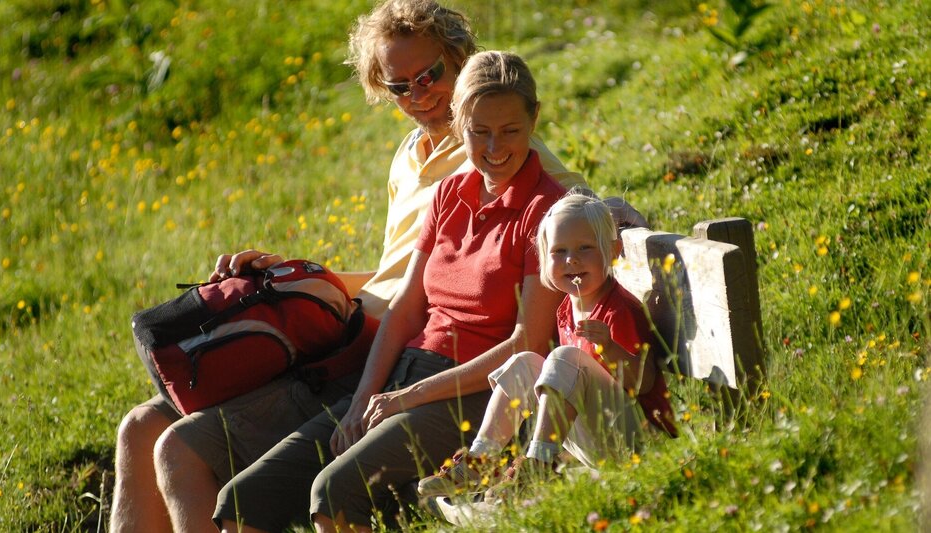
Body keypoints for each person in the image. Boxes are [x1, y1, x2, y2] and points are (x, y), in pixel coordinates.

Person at [109, 1, 591, 531]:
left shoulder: (494, 140)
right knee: (141, 425)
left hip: (377, 352)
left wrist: (609, 214)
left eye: (429, 75)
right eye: (399, 86)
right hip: (358, 337)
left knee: (181, 447)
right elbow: (396, 278)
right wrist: (293, 281)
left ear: (460, 61)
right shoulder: (415, 158)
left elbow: (568, 205)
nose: (418, 94)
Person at [214, 49, 570, 532]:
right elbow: (405, 308)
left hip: (475, 392)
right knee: (242, 500)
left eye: (510, 130)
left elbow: (527, 342)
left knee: (335, 492)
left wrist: (407, 398)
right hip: (404, 373)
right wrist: (364, 399)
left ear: (534, 118)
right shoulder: (449, 193)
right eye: (479, 131)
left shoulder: (546, 210)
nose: (495, 147)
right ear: (458, 124)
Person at [416, 192, 677, 502]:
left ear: (612, 250)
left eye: (585, 248)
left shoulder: (617, 309)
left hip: (641, 441)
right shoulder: (567, 307)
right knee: (524, 362)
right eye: (559, 251)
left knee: (564, 357)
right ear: (543, 258)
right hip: (599, 439)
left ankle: (539, 465)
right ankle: (480, 460)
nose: (572, 259)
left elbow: (643, 383)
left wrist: (609, 347)